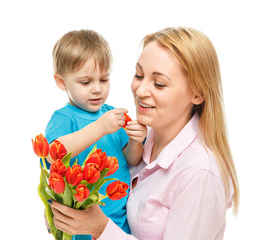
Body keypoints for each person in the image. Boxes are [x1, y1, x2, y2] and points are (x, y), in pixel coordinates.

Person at [47, 27, 239, 240]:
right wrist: (63, 209)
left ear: (198, 93)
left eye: (159, 83)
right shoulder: (146, 137)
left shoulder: (200, 173)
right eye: (139, 75)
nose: (140, 91)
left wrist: (100, 229)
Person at [44, 29, 147, 239]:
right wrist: (99, 127)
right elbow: (53, 154)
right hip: (80, 226)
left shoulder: (111, 114)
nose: (97, 89)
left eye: (104, 79)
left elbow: (131, 160)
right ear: (62, 82)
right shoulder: (65, 118)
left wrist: (135, 141)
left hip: (118, 223)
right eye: (86, 82)